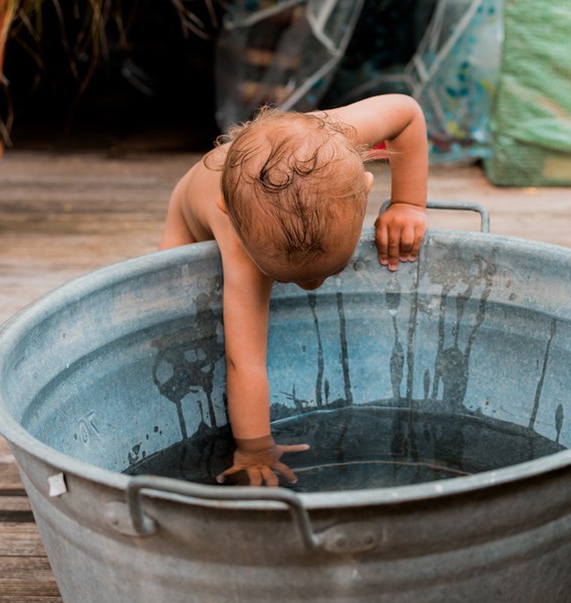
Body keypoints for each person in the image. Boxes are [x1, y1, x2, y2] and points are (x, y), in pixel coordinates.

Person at [160, 93, 428, 486]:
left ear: (366, 186)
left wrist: (408, 203)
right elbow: (244, 362)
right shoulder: (240, 246)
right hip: (187, 213)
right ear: (228, 213)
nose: (311, 286)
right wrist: (254, 447)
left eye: (331, 271)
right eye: (286, 278)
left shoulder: (343, 137)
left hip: (260, 182)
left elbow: (407, 113)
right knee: (173, 317)